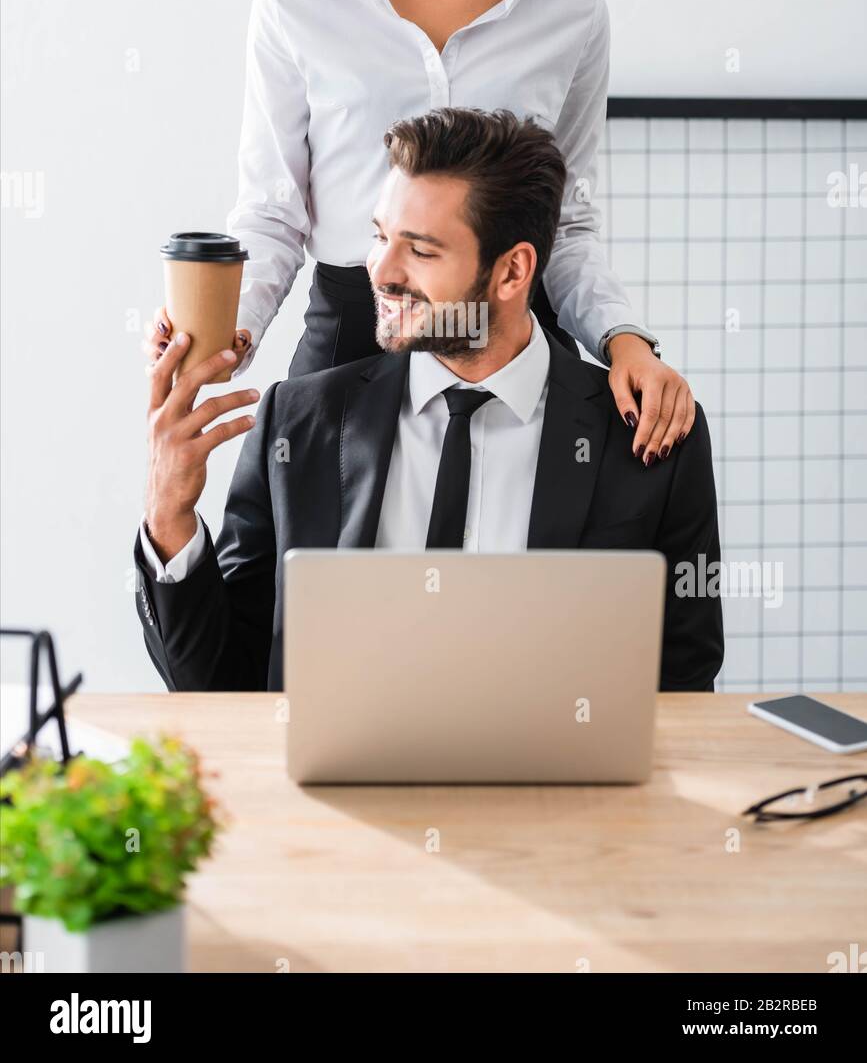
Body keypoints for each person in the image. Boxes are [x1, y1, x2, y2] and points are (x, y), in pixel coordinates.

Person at [144, 0, 695, 466]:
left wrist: (622, 338)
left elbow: (563, 222)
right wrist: (226, 339)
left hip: (509, 337)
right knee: (313, 580)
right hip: (352, 333)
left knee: (515, 577)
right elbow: (272, 212)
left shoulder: (569, 11)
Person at [135, 109, 724, 694]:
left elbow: (684, 681)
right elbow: (223, 682)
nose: (380, 272)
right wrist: (170, 515)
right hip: (339, 784)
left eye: (419, 251)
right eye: (379, 235)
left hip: (559, 785)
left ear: (513, 271)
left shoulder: (646, 434)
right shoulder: (298, 422)